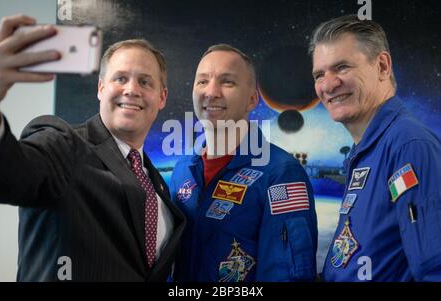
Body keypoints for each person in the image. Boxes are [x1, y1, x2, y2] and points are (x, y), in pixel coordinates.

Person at [0, 15, 186, 281]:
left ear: (161, 97)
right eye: (120, 78)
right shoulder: (63, 144)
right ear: (100, 88)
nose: (131, 90)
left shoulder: (158, 186)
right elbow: (8, 174)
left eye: (145, 82)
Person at [169, 44, 318, 282]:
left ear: (252, 100)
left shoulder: (280, 173)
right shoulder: (182, 170)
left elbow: (288, 275)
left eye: (227, 82)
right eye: (202, 81)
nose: (211, 92)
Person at [309, 15, 441, 281]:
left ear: (382, 66)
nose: (328, 84)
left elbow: (434, 268)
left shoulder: (408, 145)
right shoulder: (369, 150)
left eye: (342, 67)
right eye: (319, 74)